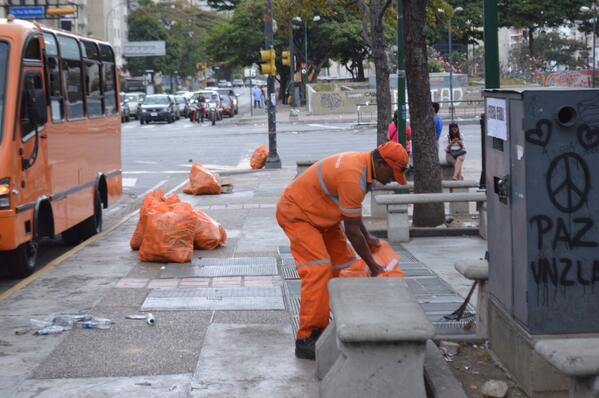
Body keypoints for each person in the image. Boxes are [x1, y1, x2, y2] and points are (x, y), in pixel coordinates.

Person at [276, 141, 409, 360]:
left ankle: (343, 321)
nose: (391, 179)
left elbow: (353, 216)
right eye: (392, 173)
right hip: (298, 214)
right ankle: (308, 337)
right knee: (318, 269)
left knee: (346, 268)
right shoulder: (353, 175)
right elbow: (352, 231)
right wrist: (373, 265)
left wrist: (369, 239)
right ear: (380, 162)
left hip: (322, 217)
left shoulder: (363, 168)